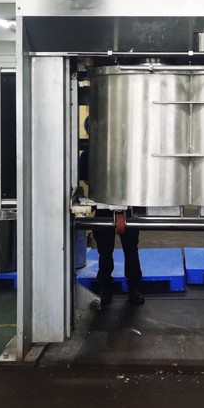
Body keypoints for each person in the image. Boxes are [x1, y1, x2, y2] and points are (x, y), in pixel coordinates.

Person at [78, 118, 144, 306]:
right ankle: (117, 288)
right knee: (112, 251)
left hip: (120, 207)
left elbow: (87, 179)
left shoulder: (98, 152)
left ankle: (121, 288)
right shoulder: (93, 153)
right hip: (110, 207)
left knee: (123, 251)